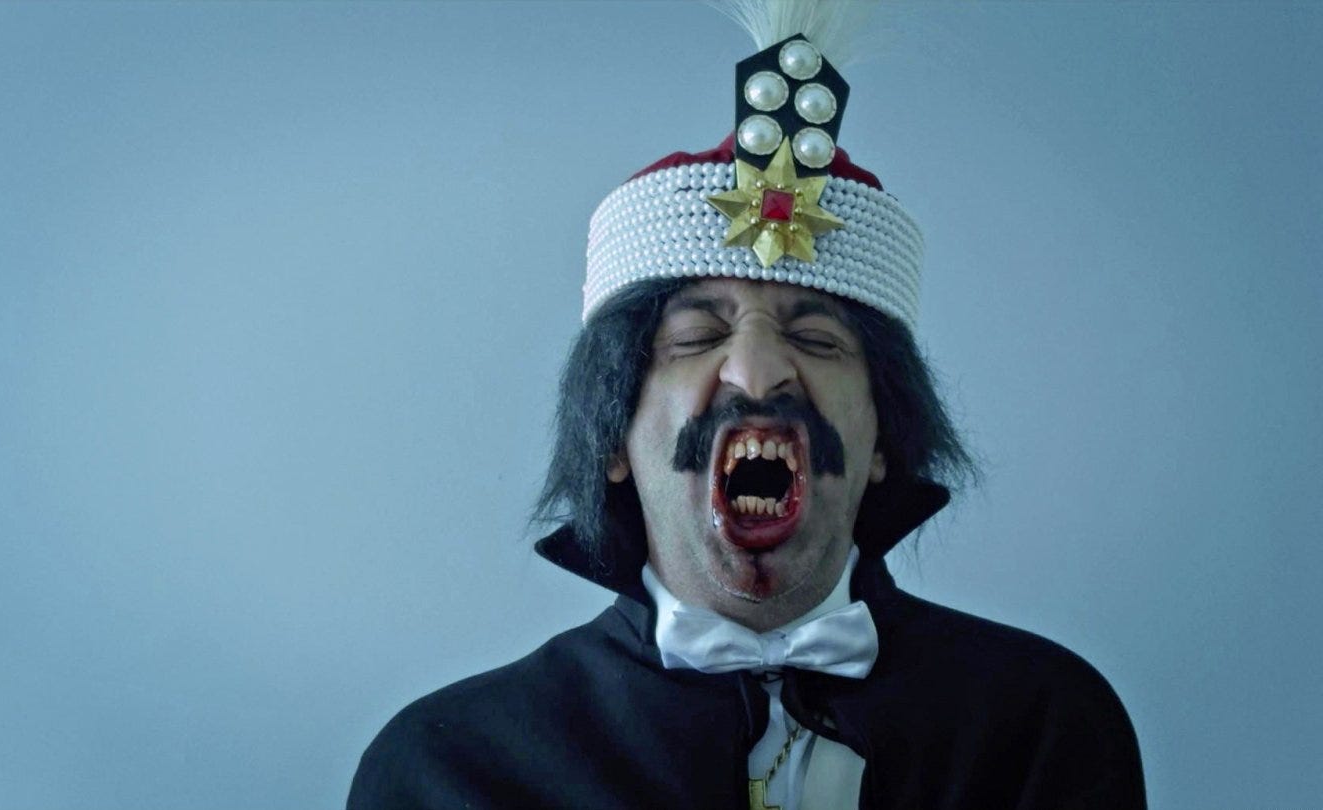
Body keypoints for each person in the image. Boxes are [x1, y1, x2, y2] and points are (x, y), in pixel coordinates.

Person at [348, 5, 1145, 808]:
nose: (759, 375)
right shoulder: (450, 769)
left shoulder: (1041, 727)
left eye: (818, 339)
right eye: (697, 337)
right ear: (614, 437)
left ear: (882, 442)